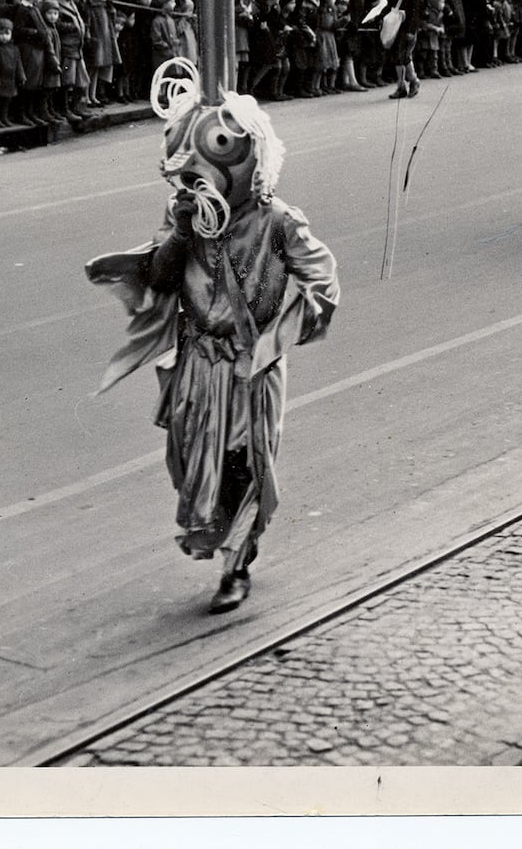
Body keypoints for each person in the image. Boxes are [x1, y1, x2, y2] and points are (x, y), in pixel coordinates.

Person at [85, 85, 340, 614]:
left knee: (244, 463)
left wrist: (275, 341)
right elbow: (158, 277)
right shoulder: (187, 216)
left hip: (251, 367)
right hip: (195, 364)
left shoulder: (279, 221)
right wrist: (179, 233)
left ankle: (236, 566)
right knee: (193, 464)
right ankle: (219, 538)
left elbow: (323, 282)